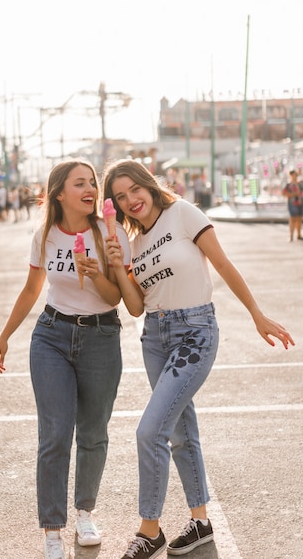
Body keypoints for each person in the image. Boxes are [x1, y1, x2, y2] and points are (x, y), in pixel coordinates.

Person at [102, 159, 294, 558]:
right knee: (179, 431)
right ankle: (201, 522)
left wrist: (256, 313)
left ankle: (149, 530)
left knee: (149, 431)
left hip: (195, 332)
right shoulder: (134, 244)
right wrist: (120, 267)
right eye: (120, 197)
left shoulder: (183, 213)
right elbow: (136, 307)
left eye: (133, 189)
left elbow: (222, 264)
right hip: (154, 337)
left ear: (148, 184)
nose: (130, 200)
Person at [0, 160, 131, 559]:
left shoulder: (109, 232)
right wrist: (5, 336)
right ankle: (52, 529)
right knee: (54, 435)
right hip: (51, 335)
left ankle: (85, 512)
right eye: (80, 183)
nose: (90, 189)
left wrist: (98, 272)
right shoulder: (45, 235)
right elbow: (33, 287)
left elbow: (116, 298)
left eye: (92, 183)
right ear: (59, 193)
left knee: (93, 433)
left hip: (101, 336)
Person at [282, 169, 303, 241]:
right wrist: (292, 194)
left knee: (299, 219)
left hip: (300, 203)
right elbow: (283, 193)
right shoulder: (289, 185)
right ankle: (291, 236)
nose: (294, 176)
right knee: (292, 219)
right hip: (292, 204)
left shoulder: (300, 184)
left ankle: (299, 234)